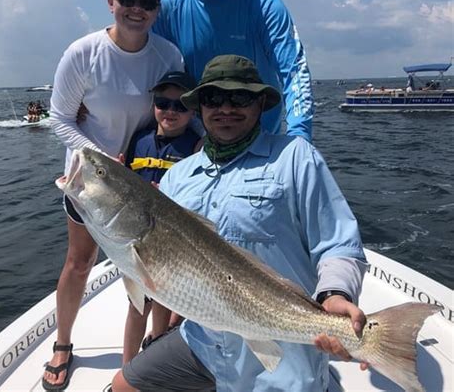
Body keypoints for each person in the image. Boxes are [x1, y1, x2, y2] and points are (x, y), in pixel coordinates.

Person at [111, 55, 367, 392]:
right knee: (124, 385)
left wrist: (334, 294)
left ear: (261, 103)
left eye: (240, 98)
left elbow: (338, 243)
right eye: (214, 98)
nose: (225, 108)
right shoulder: (177, 177)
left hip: (282, 349)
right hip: (202, 341)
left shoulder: (294, 156)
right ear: (200, 106)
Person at [43, 0, 184, 390]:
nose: (136, 8)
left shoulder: (168, 56)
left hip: (149, 185)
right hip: (93, 183)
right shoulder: (82, 53)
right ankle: (63, 344)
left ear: (157, 10)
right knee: (79, 262)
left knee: (156, 271)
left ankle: (154, 344)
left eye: (146, 2)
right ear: (111, 3)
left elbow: (175, 111)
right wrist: (104, 159)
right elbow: (59, 118)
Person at [153, 0, 314, 141]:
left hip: (261, 145)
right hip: (195, 146)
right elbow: (140, 65)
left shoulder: (262, 2)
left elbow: (294, 72)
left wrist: (300, 138)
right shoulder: (168, 8)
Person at [121, 70, 201, 364]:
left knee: (165, 299)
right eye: (162, 103)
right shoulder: (138, 138)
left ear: (192, 110)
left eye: (180, 105)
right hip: (138, 238)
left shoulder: (195, 145)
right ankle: (127, 367)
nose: (170, 111)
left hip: (171, 241)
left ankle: (157, 344)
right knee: (136, 303)